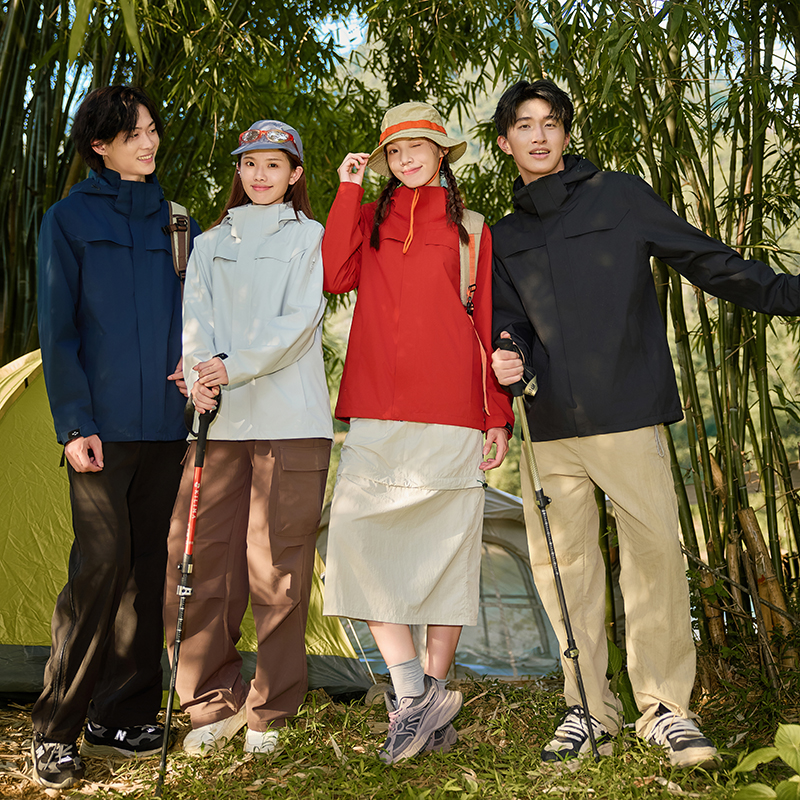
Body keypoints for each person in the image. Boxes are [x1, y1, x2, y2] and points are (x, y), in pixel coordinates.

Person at [490, 79, 800, 768]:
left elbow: (709, 261)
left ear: (566, 134)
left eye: (550, 123)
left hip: (627, 414)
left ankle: (665, 711)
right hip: (550, 426)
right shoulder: (504, 236)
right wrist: (508, 351)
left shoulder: (620, 197)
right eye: (524, 125)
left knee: (655, 558)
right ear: (505, 141)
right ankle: (587, 711)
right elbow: (509, 319)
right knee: (564, 572)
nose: (539, 136)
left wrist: (790, 294)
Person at [321, 102, 514, 763]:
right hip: (376, 405)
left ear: (440, 153)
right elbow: (332, 275)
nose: (406, 160)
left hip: (453, 407)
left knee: (446, 554)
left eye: (418, 148)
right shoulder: (369, 220)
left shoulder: (472, 230)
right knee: (358, 544)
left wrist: (497, 413)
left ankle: (426, 702)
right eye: (395, 152)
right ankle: (414, 696)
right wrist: (348, 190)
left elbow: (487, 321)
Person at [32, 85, 201, 790]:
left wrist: (198, 384)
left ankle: (122, 716)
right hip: (99, 431)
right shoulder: (67, 220)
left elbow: (198, 319)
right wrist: (74, 425)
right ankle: (55, 730)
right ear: (100, 145)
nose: (150, 142)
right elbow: (58, 331)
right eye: (134, 134)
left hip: (165, 425)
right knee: (100, 568)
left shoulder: (179, 222)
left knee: (145, 572)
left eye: (153, 130)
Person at [163, 119, 332, 758]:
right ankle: (210, 700)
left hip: (292, 423)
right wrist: (199, 378)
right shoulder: (208, 243)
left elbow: (298, 323)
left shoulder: (312, 237)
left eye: (274, 164)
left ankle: (271, 706)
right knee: (200, 561)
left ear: (294, 174)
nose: (260, 175)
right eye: (250, 163)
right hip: (220, 422)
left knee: (277, 568)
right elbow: (195, 320)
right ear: (238, 171)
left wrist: (227, 367)